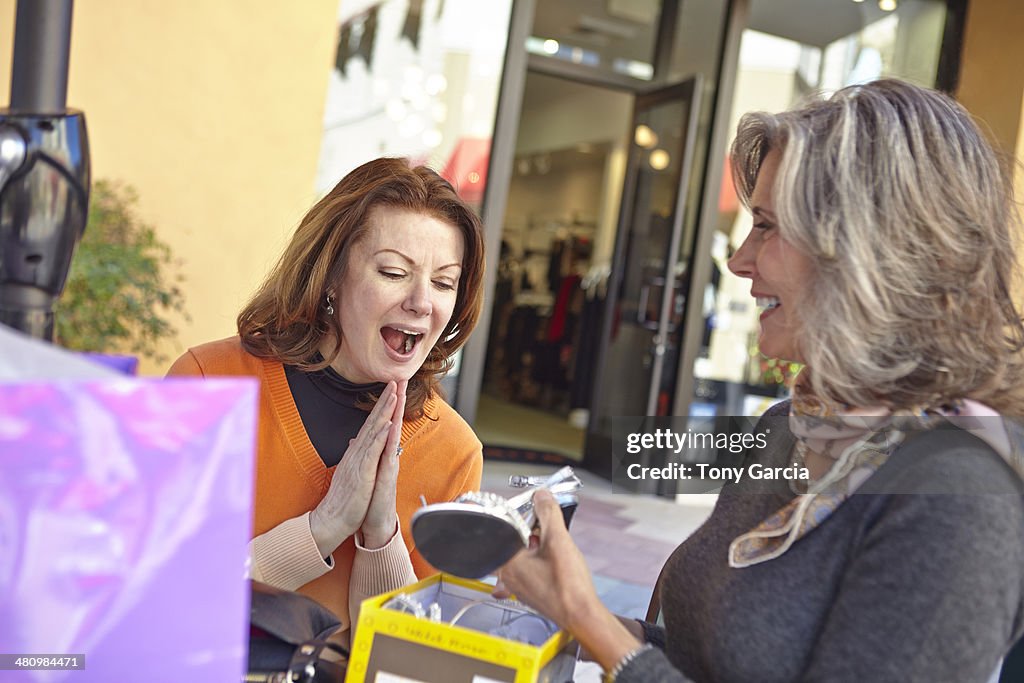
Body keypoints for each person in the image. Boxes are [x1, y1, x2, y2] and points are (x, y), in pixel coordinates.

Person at [496, 79, 1024, 682]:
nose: (739, 259)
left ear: (867, 253)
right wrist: (580, 620)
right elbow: (721, 655)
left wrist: (590, 621)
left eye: (768, 227)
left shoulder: (960, 499)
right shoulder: (788, 429)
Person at [167, 157, 486, 639]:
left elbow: (417, 662)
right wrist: (322, 528)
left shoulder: (455, 454)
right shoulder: (209, 381)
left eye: (444, 282)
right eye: (395, 272)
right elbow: (165, 597)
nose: (423, 301)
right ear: (331, 274)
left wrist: (381, 537)